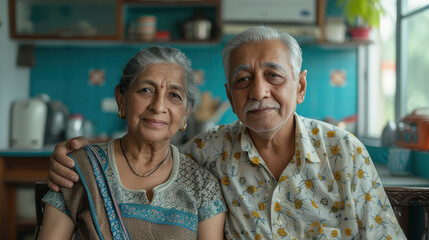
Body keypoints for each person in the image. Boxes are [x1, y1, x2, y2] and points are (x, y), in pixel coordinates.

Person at [47, 26, 405, 239]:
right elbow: (148, 154)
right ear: (231, 96)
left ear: (300, 87)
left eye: (274, 76)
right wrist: (75, 157)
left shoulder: (344, 152)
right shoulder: (208, 153)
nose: (259, 91)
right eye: (243, 79)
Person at [38, 47, 226, 240]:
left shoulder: (202, 186)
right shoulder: (80, 168)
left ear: (186, 113)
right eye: (146, 90)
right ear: (121, 99)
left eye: (174, 95)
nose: (159, 106)